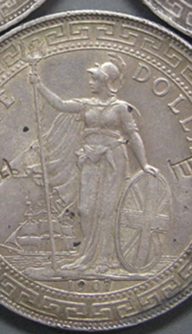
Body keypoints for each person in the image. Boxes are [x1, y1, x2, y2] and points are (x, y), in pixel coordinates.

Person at [29, 59, 157, 274]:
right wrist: (39, 85)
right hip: (90, 158)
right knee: (86, 209)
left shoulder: (120, 108)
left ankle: (104, 259)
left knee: (107, 210)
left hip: (113, 159)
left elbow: (133, 135)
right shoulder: (86, 104)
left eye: (95, 79)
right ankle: (86, 256)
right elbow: (60, 104)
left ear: (105, 82)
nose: (90, 82)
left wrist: (144, 164)